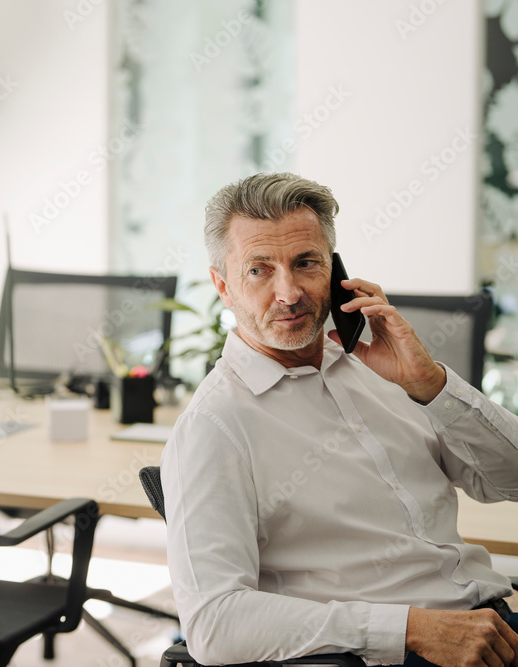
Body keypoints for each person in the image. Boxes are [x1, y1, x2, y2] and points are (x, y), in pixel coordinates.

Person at [161, 172, 518, 667]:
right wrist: (409, 629)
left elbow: (511, 480)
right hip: (393, 655)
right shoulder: (214, 426)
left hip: (493, 624)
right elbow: (214, 623)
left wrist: (432, 385)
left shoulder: (385, 369)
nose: (289, 293)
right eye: (259, 270)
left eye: (305, 263)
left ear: (335, 270)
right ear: (223, 285)